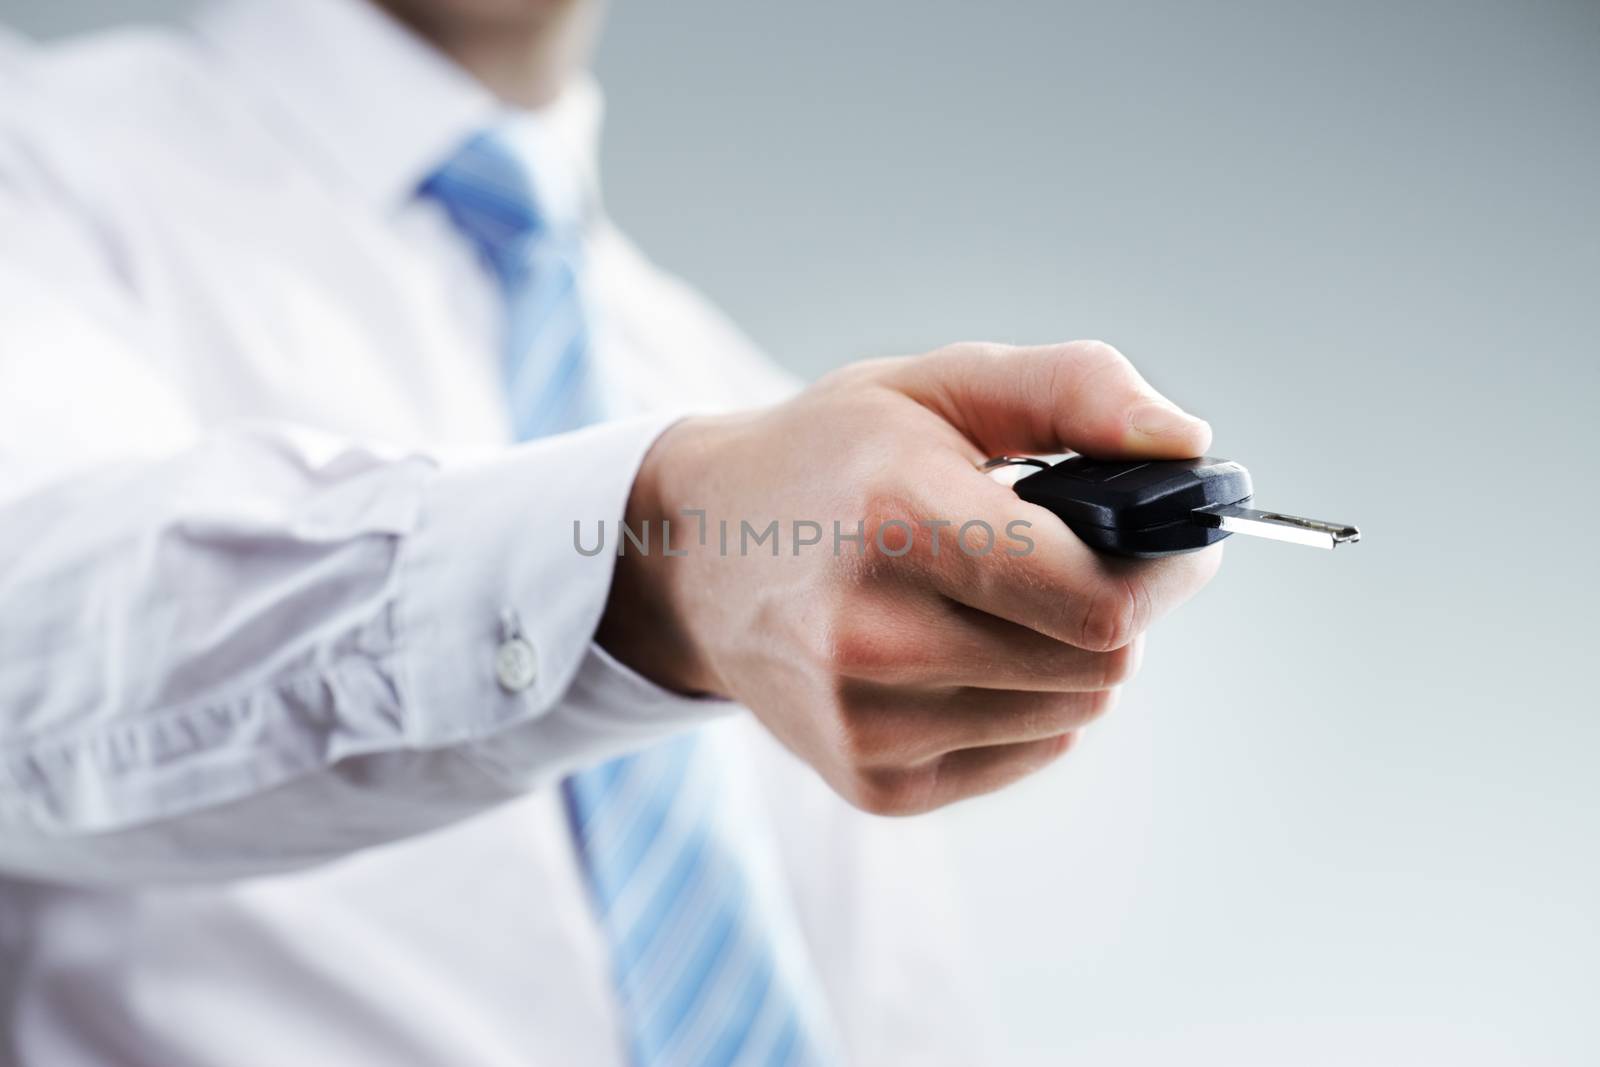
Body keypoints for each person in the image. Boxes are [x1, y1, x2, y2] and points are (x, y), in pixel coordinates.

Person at [0, 0, 1221, 1063]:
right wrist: (657, 555)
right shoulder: (45, 163)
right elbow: (39, 626)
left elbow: (892, 1012)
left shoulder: (734, 387)